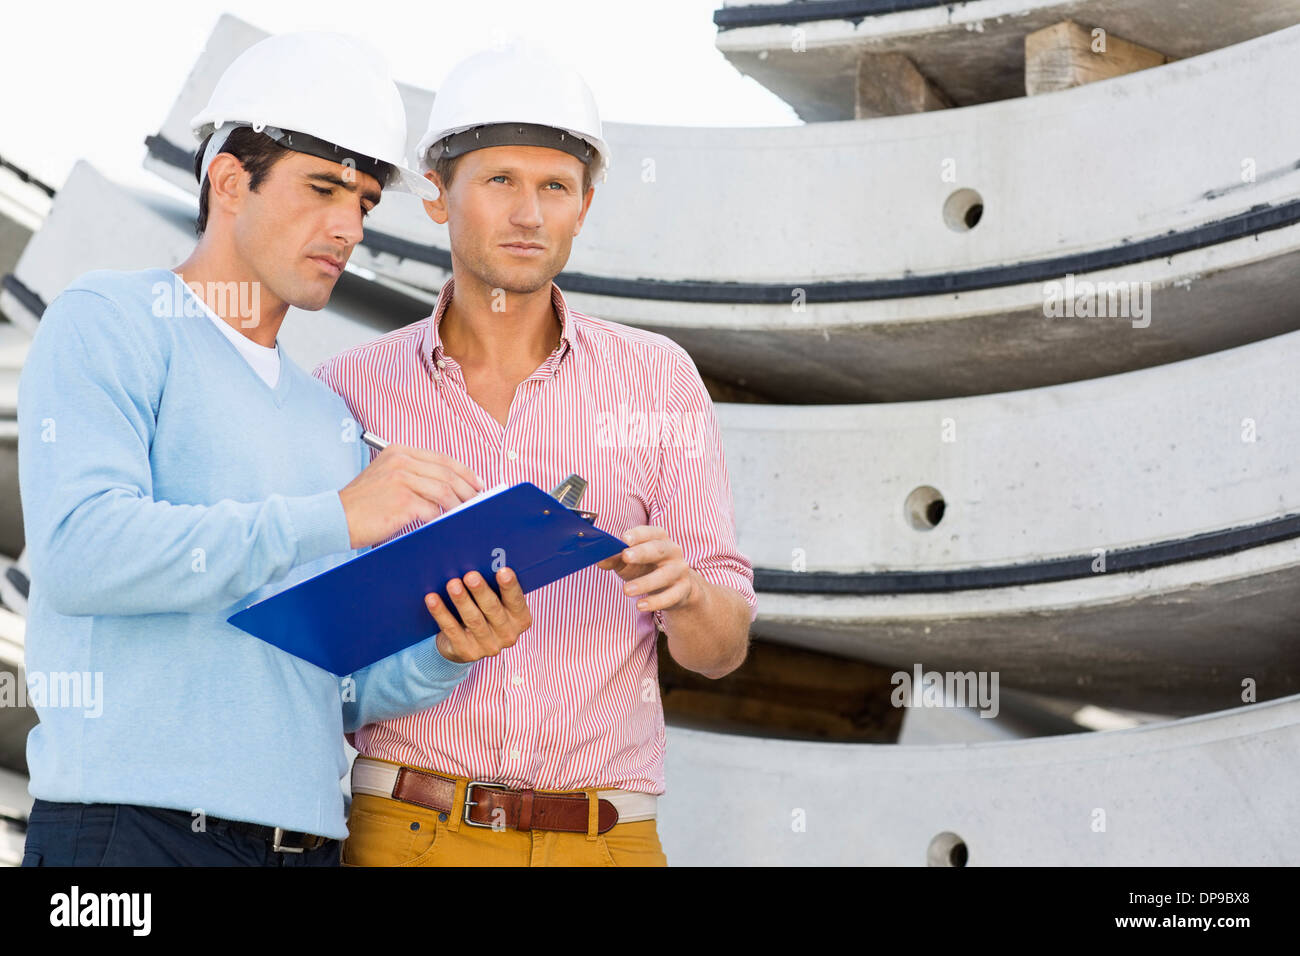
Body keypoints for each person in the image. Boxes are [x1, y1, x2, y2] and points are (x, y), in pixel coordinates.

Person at [17, 31, 531, 868]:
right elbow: (82, 553)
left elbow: (326, 684)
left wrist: (447, 650)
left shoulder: (328, 417)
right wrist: (333, 516)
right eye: (323, 188)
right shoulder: (109, 322)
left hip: (305, 844)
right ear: (229, 181)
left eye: (363, 200)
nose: (347, 225)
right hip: (130, 834)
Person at [314, 43, 757, 867]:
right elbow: (318, 654)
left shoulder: (658, 380)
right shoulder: (348, 394)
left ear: (584, 207)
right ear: (437, 197)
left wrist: (688, 597)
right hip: (408, 831)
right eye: (500, 181)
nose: (530, 214)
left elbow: (723, 650)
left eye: (555, 186)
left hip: (606, 839)